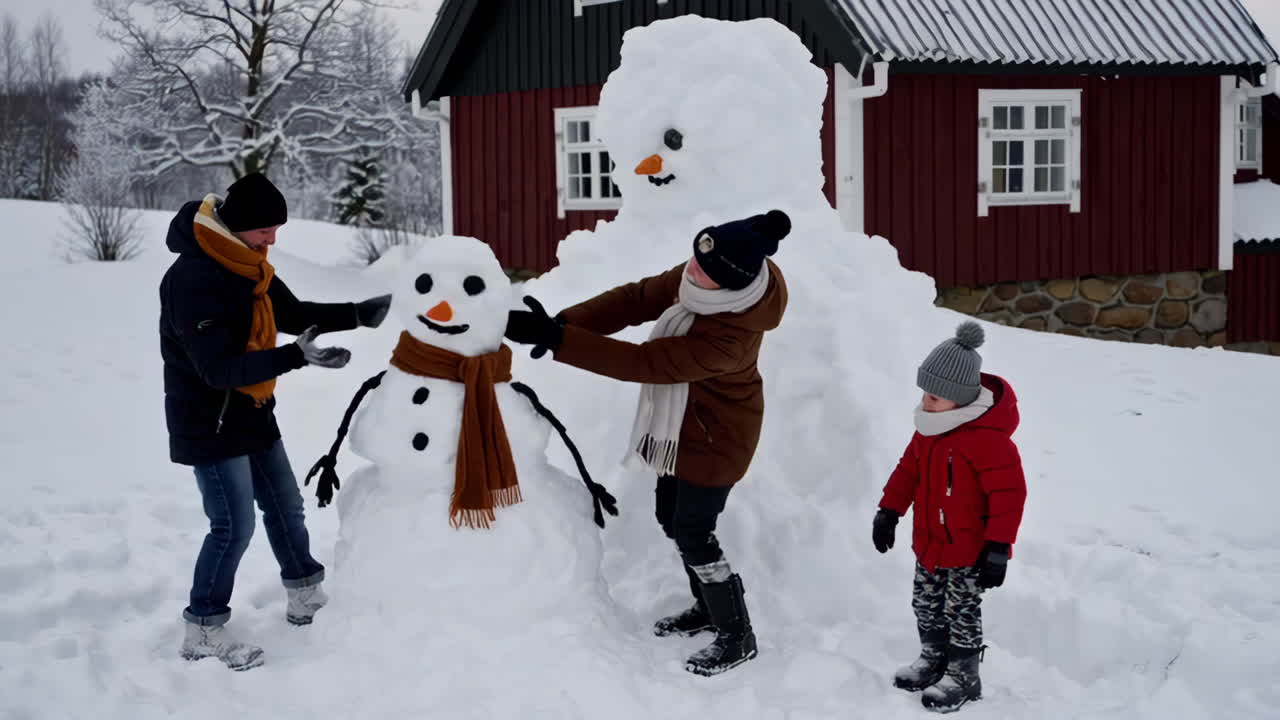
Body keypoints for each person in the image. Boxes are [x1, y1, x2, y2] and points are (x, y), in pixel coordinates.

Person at [504, 209, 791, 676]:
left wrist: (559, 341)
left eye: (702, 272)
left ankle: (737, 633)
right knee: (668, 517)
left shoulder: (731, 337)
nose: (689, 272)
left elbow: (648, 364)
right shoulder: (708, 275)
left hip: (720, 438)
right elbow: (636, 300)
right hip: (681, 427)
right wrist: (563, 324)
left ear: (732, 284)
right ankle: (706, 607)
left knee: (695, 532)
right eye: (693, 262)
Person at [159, 172, 392, 670]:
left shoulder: (250, 265)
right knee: (232, 526)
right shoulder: (192, 278)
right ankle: (202, 626)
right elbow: (216, 369)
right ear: (238, 225)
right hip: (210, 419)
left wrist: (359, 313)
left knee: (286, 507)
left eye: (276, 229)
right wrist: (295, 358)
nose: (273, 240)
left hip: (252, 408)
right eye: (265, 230)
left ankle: (305, 595)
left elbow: (293, 312)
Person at [872, 321, 1027, 713]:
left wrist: (997, 546)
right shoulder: (928, 429)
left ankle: (963, 674)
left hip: (970, 550)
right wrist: (888, 511)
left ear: (960, 399)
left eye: (936, 397)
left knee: (961, 610)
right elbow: (907, 472)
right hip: (929, 543)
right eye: (925, 392)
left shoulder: (988, 440)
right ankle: (933, 658)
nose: (926, 401)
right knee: (924, 604)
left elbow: (1009, 495)